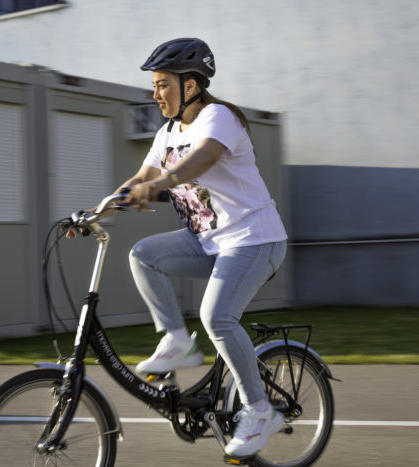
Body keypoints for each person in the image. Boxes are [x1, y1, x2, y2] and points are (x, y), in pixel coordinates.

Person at [107, 37, 288, 458]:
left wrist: (162, 183)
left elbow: (201, 159)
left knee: (217, 316)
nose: (156, 95)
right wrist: (97, 211)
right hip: (207, 240)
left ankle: (260, 411)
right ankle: (177, 341)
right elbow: (140, 178)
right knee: (143, 255)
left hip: (254, 238)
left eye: (162, 85)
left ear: (191, 85)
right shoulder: (168, 132)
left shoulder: (218, 117)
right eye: (154, 86)